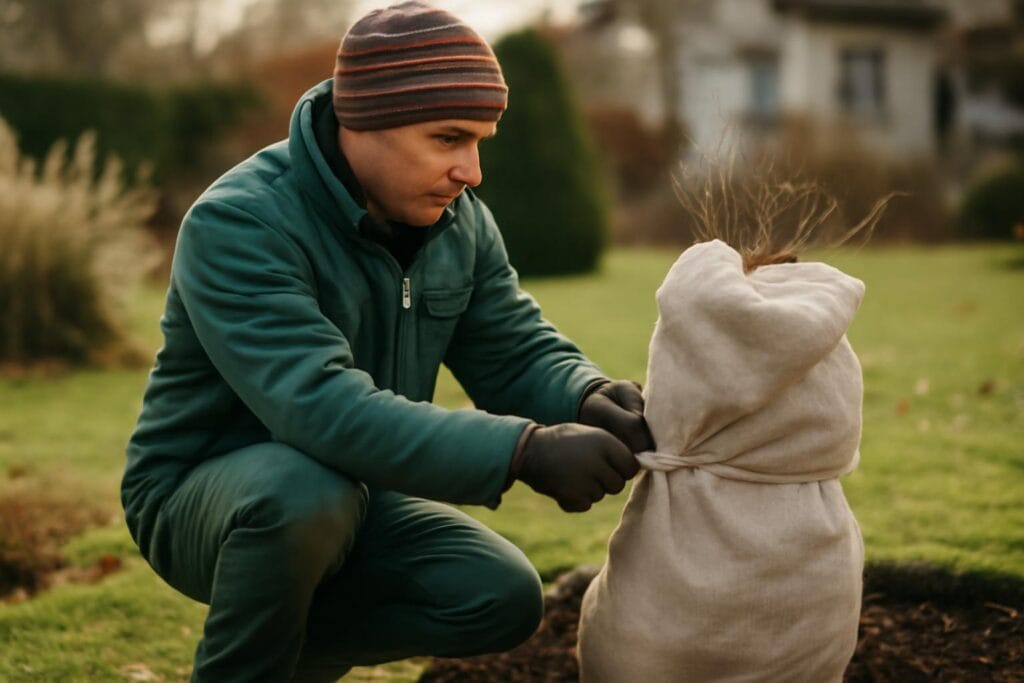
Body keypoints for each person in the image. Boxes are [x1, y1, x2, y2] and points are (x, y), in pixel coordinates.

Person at [121, 2, 653, 681]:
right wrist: (522, 451)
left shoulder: (460, 224)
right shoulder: (240, 223)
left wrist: (586, 395)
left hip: (357, 489)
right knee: (302, 493)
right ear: (363, 122)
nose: (472, 171)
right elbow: (321, 407)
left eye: (479, 141)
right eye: (448, 139)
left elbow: (513, 350)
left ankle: (283, 664)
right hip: (201, 495)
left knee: (499, 594)